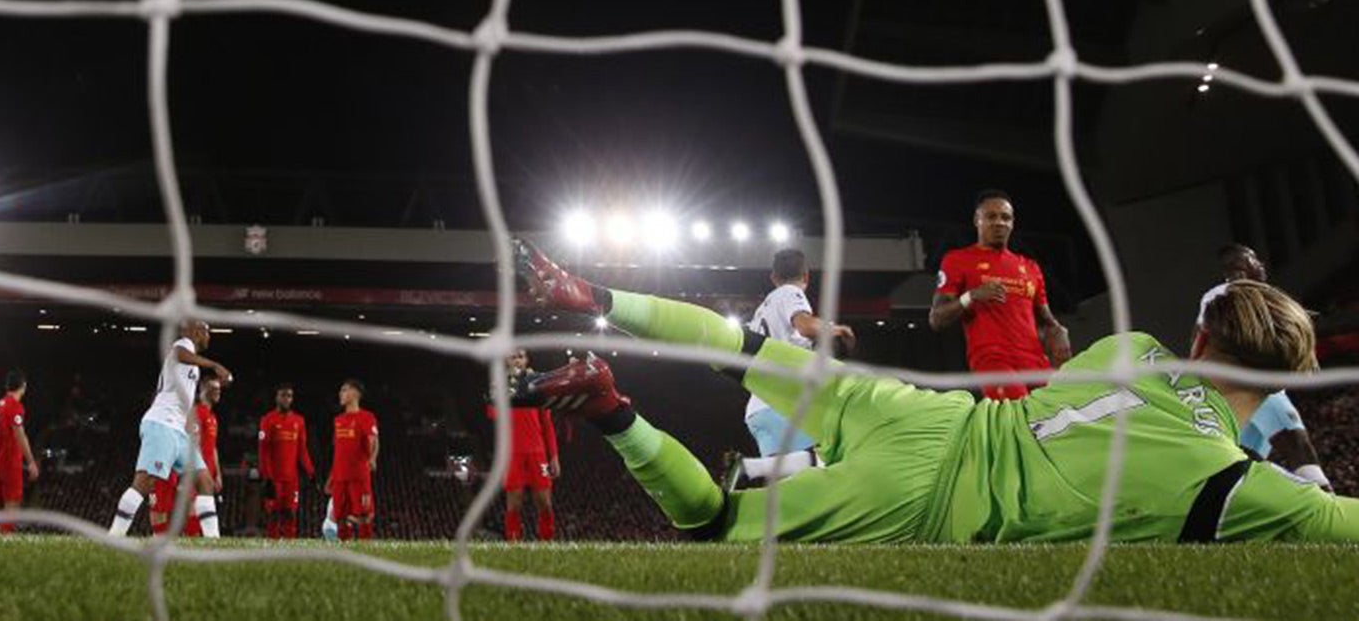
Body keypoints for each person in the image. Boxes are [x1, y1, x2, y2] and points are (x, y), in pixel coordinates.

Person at [514, 237, 1359, 543]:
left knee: (742, 347)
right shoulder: (1240, 491)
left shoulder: (1131, 348)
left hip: (925, 413)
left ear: (1200, 338)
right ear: (1295, 381)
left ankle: (596, 298)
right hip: (932, 499)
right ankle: (612, 410)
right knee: (716, 524)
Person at [1199, 245, 1332, 491]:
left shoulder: (1266, 295)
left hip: (1247, 388)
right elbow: (1205, 341)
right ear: (1238, 270)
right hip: (1249, 382)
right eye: (1253, 260)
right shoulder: (1223, 296)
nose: (1260, 264)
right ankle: (1330, 508)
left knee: (1246, 461)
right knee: (1297, 444)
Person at [928, 190, 1070, 398]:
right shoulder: (958, 260)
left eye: (1006, 217)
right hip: (993, 359)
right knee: (1019, 418)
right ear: (977, 220)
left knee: (1056, 418)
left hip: (1035, 360)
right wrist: (971, 296)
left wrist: (1059, 331)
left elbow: (1046, 320)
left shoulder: (1030, 267)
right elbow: (936, 319)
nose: (999, 223)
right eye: (991, 216)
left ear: (1012, 223)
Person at [106, 320, 230, 538]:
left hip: (178, 430)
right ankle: (114, 536)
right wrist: (213, 365)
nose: (209, 337)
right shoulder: (182, 346)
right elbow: (179, 354)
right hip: (162, 424)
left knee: (205, 482)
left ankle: (214, 541)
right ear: (196, 332)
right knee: (144, 482)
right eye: (207, 332)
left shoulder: (192, 363)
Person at [745, 247, 854, 476]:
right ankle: (751, 467)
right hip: (784, 405)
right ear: (806, 275)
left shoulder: (760, 312)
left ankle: (750, 468)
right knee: (835, 454)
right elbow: (805, 326)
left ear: (773, 277)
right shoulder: (789, 293)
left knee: (788, 488)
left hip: (759, 411)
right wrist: (836, 329)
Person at [488, 349, 560, 540]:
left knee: (544, 502)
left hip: (538, 452)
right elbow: (493, 416)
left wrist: (553, 456)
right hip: (512, 453)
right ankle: (514, 544)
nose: (517, 360)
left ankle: (547, 542)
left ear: (526, 360)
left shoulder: (537, 387)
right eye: (513, 357)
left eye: (520, 356)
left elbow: (547, 425)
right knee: (514, 503)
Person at [154, 370, 225, 535]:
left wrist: (218, 474)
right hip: (196, 471)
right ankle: (189, 543)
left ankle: (194, 542)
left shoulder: (212, 417)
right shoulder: (196, 412)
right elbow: (193, 443)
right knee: (192, 511)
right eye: (213, 388)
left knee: (200, 514)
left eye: (219, 389)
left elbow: (213, 447)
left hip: (207, 473)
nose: (217, 392)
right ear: (202, 389)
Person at [256, 383, 315, 538]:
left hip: (291, 478)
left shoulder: (299, 421)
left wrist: (310, 471)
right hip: (274, 477)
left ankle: (290, 545)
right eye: (283, 395)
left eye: (289, 396)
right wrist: (266, 476)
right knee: (273, 514)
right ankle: (272, 544)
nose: (286, 399)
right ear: (277, 398)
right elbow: (263, 450)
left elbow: (302, 450)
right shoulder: (267, 420)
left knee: (290, 513)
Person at [324, 378, 379, 541]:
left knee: (364, 516)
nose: (340, 394)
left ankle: (365, 550)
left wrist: (373, 458)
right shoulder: (338, 420)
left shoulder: (367, 417)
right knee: (340, 517)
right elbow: (338, 451)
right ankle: (345, 550)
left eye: (344, 390)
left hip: (358, 475)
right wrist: (331, 477)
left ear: (355, 393)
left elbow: (374, 440)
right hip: (340, 477)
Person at [0, 369, 39, 531]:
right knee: (12, 503)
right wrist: (31, 462)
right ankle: (5, 536)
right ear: (23, 386)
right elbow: (20, 435)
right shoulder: (15, 407)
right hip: (10, 461)